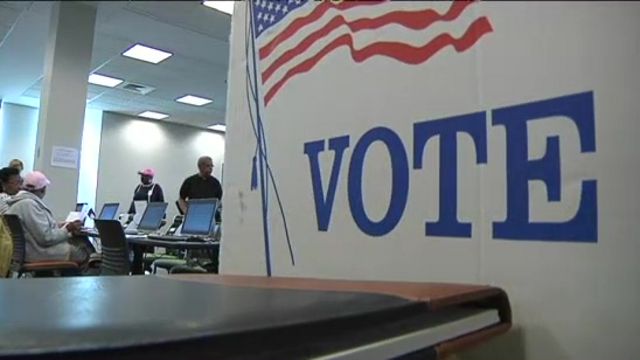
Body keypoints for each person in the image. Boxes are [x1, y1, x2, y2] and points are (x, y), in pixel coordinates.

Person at [6, 171, 92, 267]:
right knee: (87, 254)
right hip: (39, 253)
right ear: (42, 189)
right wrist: (68, 229)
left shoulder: (18, 203)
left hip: (30, 251)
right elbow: (46, 238)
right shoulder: (29, 205)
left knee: (76, 243)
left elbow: (39, 227)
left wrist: (62, 225)